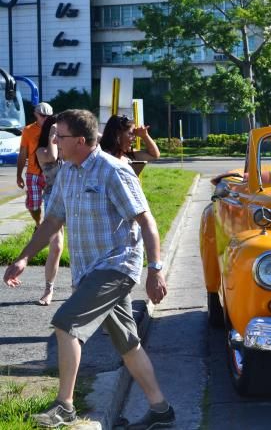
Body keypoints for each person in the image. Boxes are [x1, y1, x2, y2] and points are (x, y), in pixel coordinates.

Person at [3, 109, 176, 429]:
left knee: (66, 323)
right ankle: (161, 410)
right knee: (128, 343)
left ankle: (64, 405)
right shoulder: (67, 172)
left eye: (61, 136)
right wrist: (25, 257)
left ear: (80, 141)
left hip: (117, 265)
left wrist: (156, 269)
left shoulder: (113, 171)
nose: (55, 140)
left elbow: (146, 220)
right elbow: (52, 221)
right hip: (87, 270)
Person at [34, 116, 64, 306]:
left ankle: (80, 288)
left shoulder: (67, 149)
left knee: (79, 245)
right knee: (57, 246)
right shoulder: (42, 151)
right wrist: (53, 133)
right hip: (53, 198)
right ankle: (48, 289)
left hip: (73, 196)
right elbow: (52, 157)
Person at [16, 102, 53, 227]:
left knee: (52, 207)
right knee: (34, 206)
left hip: (51, 173)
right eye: (42, 115)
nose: (45, 118)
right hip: (33, 173)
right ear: (36, 114)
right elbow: (22, 153)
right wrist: (18, 175)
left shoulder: (56, 129)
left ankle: (48, 229)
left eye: (48, 116)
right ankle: (38, 224)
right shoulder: (28, 130)